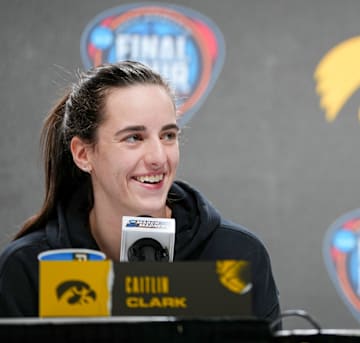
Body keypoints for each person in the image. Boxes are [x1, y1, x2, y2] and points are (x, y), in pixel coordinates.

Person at [0, 61, 281, 323]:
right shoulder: (27, 269)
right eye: (134, 138)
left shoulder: (237, 256)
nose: (158, 157)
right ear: (83, 153)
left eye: (168, 135)